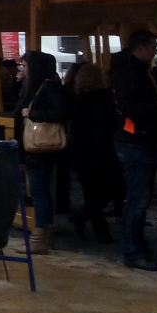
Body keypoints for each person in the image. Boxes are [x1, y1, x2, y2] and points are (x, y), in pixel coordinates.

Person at [110, 30, 157, 270]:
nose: (156, 51)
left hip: (138, 139)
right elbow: (129, 107)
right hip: (136, 141)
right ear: (142, 48)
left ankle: (136, 247)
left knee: (138, 198)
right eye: (154, 47)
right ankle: (133, 251)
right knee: (137, 200)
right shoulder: (130, 72)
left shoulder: (129, 69)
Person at [16, 51, 69, 253]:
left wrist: (33, 114)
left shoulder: (48, 87)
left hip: (41, 148)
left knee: (38, 191)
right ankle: (44, 234)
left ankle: (41, 236)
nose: (23, 70)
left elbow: (61, 112)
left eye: (26, 66)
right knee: (38, 190)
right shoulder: (33, 87)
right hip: (32, 147)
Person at [67, 62, 120, 243]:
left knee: (90, 191)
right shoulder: (107, 97)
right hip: (104, 149)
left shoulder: (75, 99)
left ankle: (98, 230)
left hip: (82, 151)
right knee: (112, 188)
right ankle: (85, 219)